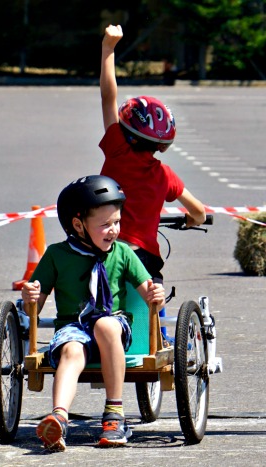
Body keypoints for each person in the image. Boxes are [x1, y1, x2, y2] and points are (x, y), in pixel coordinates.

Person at [21, 175, 165, 451]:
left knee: (106, 326)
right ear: (78, 225)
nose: (113, 230)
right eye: (105, 225)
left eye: (117, 223)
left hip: (113, 327)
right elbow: (35, 305)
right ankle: (59, 417)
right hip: (73, 328)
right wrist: (31, 296)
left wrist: (154, 293)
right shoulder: (56, 255)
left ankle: (114, 415)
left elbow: (147, 289)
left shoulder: (122, 252)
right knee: (71, 349)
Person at [98, 24, 206, 342]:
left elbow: (108, 96)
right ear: (161, 144)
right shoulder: (164, 175)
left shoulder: (116, 149)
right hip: (142, 255)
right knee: (150, 295)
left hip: (102, 248)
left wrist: (108, 48)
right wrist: (190, 220)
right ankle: (156, 335)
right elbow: (198, 212)